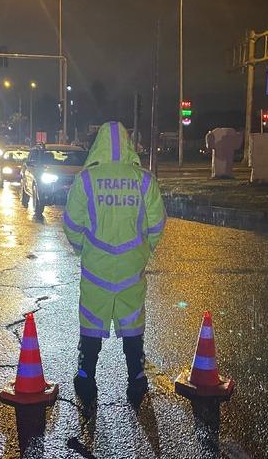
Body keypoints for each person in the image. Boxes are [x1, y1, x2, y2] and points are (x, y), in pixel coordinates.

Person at [63, 121, 166, 407]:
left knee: (91, 322)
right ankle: (136, 379)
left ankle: (86, 378)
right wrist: (143, 251)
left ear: (99, 145)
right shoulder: (144, 180)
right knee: (133, 324)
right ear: (128, 144)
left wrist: (83, 250)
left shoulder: (86, 180)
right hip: (131, 268)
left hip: (96, 267)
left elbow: (72, 224)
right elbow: (157, 224)